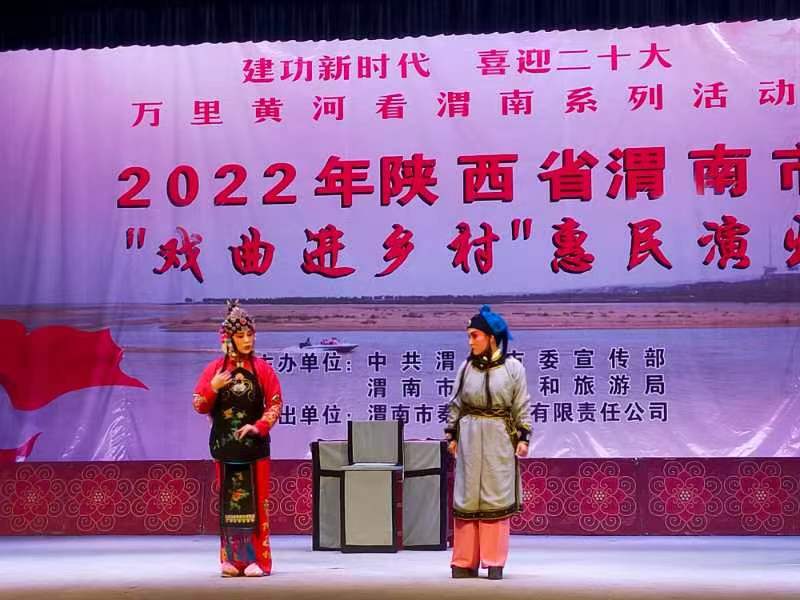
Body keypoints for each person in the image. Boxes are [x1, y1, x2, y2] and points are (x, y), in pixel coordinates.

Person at [192, 300, 282, 577]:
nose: (247, 340)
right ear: (228, 339)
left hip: (255, 449)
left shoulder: (262, 369)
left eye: (250, 334)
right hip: (226, 448)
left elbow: (275, 404)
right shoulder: (214, 371)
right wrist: (213, 387)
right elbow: (198, 404)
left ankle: (260, 562)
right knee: (229, 505)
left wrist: (259, 426)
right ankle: (231, 560)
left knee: (258, 504)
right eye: (241, 335)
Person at [445, 305, 531, 580]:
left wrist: (523, 436)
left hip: (498, 436)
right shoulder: (466, 367)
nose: (470, 342)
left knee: (495, 496)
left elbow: (521, 404)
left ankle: (494, 560)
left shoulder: (513, 368)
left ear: (491, 338)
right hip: (470, 435)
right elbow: (456, 402)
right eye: (469, 336)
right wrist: (452, 434)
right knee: (467, 496)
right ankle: (464, 561)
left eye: (475, 336)